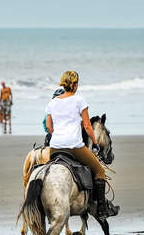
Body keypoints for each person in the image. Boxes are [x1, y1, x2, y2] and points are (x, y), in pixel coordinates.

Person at [45, 70, 117, 218]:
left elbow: (49, 127)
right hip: (74, 147)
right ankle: (102, 208)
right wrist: (95, 143)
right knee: (99, 172)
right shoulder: (79, 100)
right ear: (75, 84)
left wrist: (59, 135)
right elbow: (87, 126)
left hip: (54, 148)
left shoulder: (52, 102)